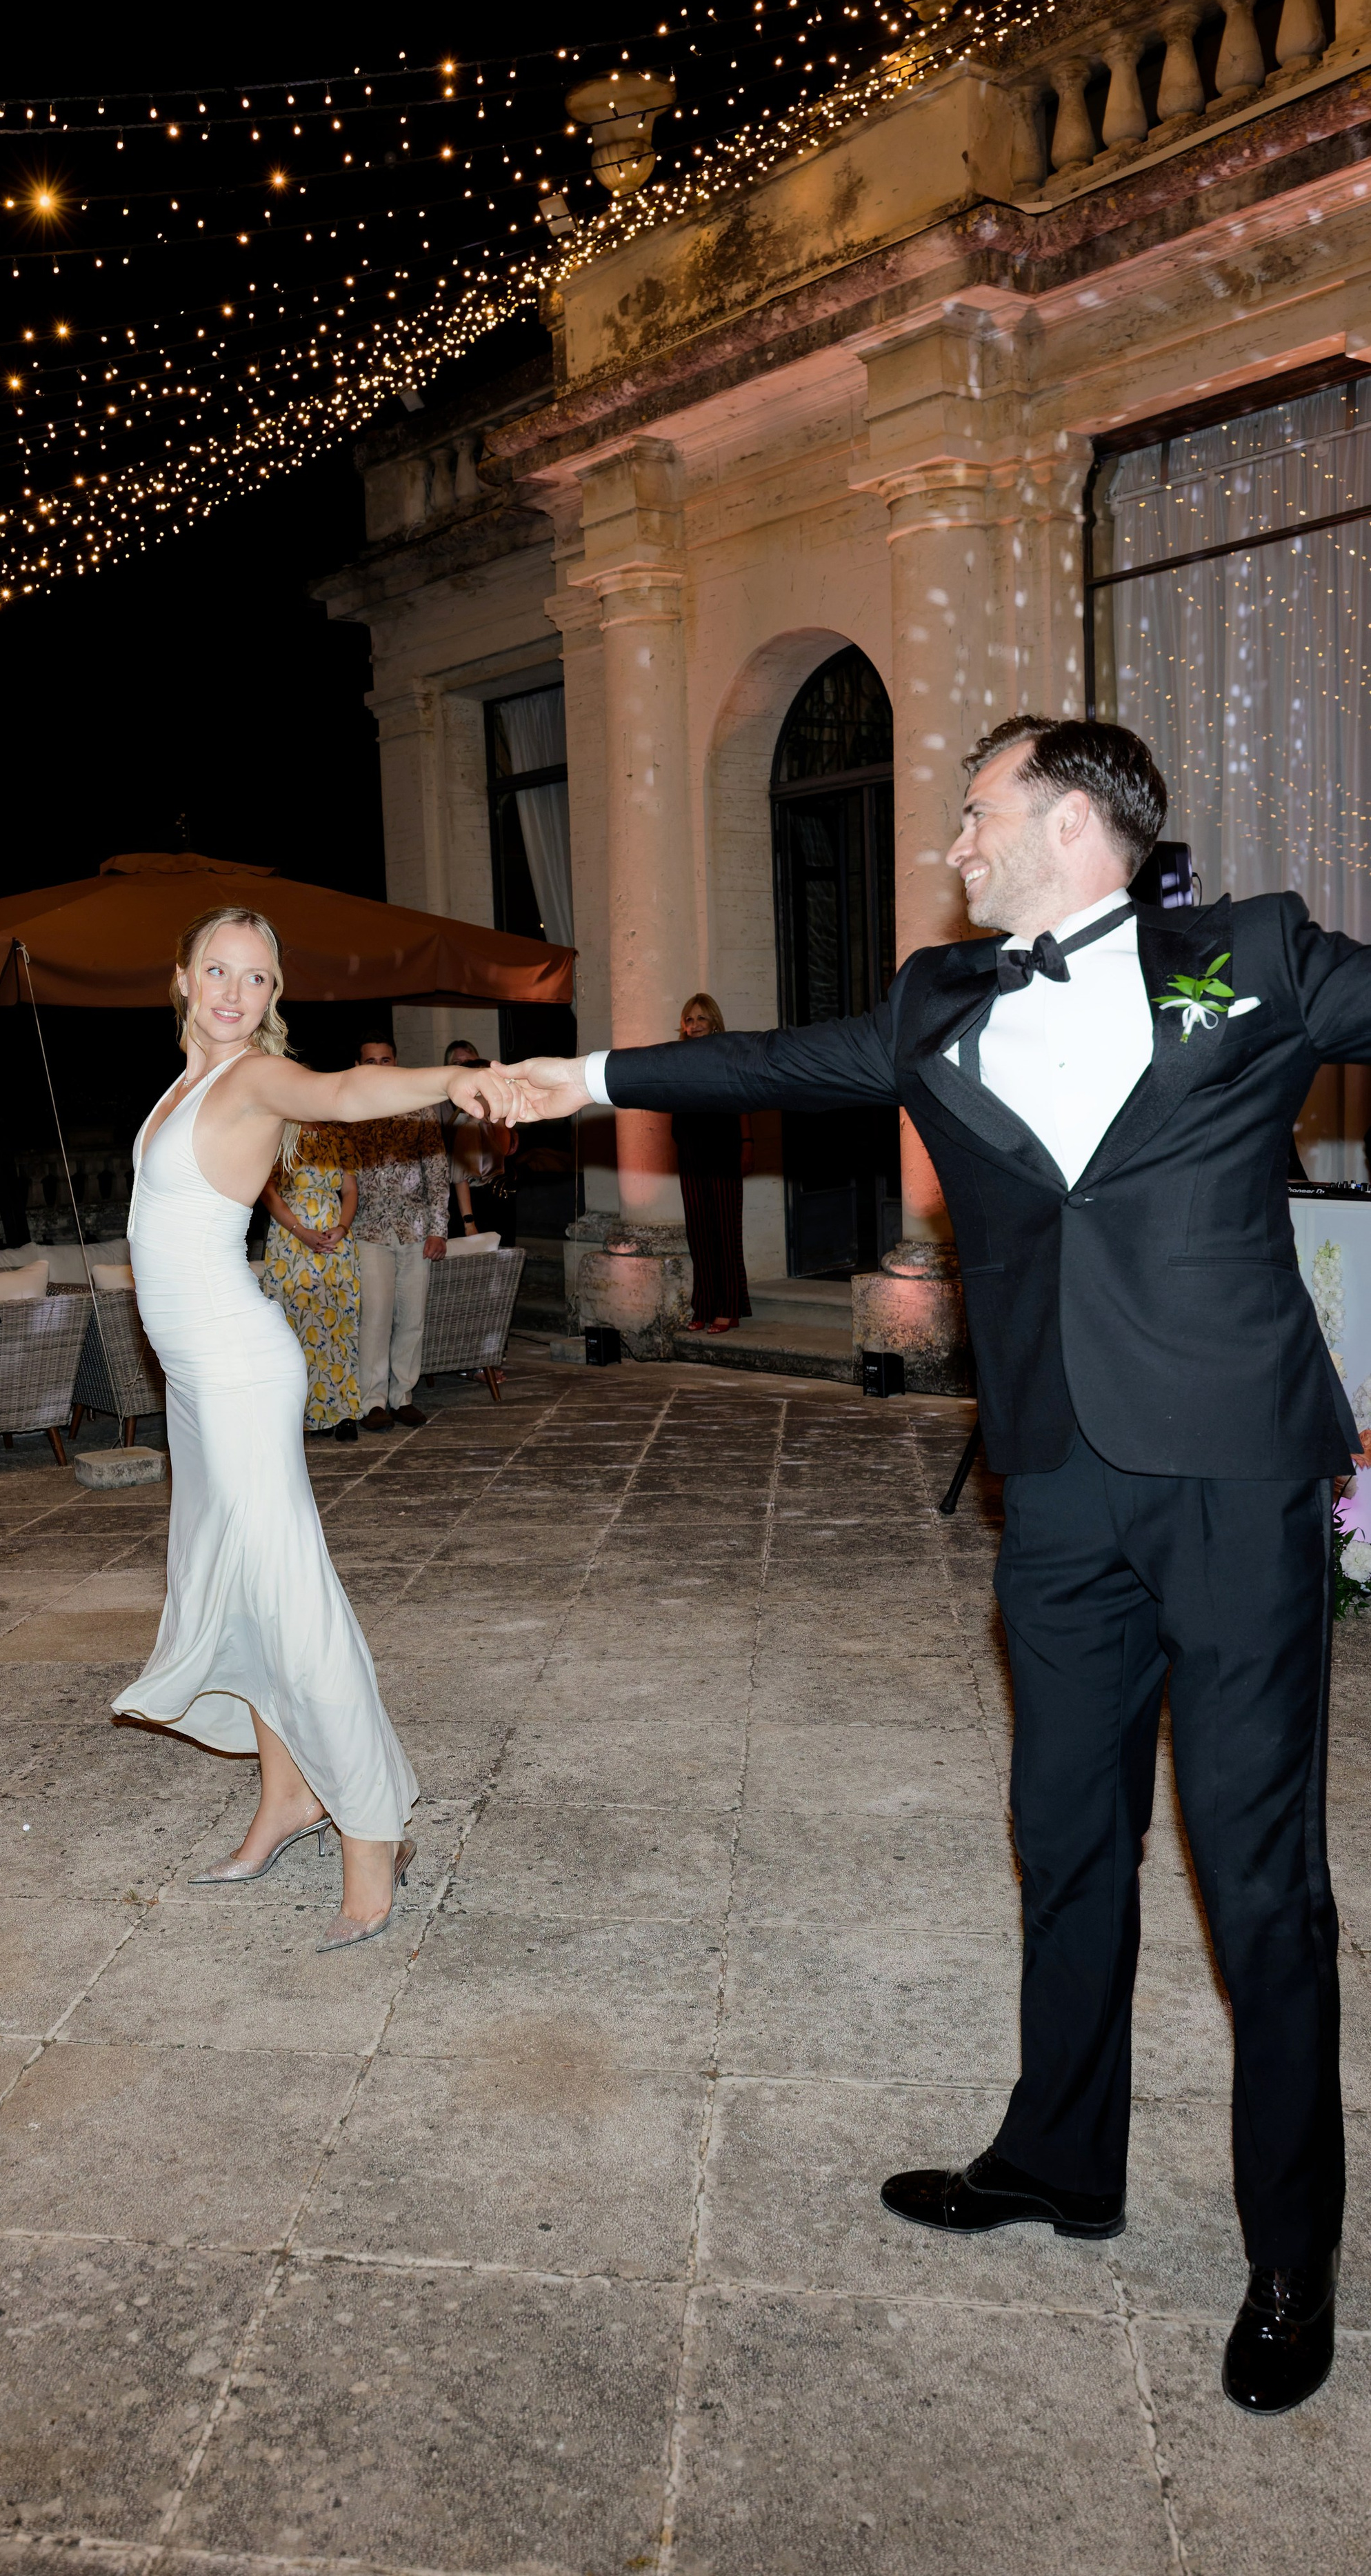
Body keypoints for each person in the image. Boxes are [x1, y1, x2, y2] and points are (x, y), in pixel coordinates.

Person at [508, 715, 1370, 2417]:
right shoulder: (934, 1003)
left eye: (974, 813)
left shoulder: (1251, 956)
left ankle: (1291, 2249)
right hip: (1048, 1484)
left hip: (1227, 1477)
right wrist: (586, 1077)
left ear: (1067, 819)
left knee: (1255, 1874)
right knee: (1064, 1835)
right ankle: (1057, 2157)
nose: (952, 844)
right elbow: (768, 1061)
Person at [110, 906, 518, 1950]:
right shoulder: (185, 1085)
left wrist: (446, 1080)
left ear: (274, 997)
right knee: (238, 1590)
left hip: (241, 1373)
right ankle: (286, 1797)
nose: (236, 992)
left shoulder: (251, 1078)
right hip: (196, 1383)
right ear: (184, 979)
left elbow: (341, 1092)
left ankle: (373, 1832)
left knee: (293, 1600)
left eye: (257, 978)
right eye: (219, 970)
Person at [350, 1035, 451, 1432]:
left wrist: (439, 1229)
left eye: (386, 1059)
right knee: (374, 1318)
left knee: (412, 1318)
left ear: (396, 1062)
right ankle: (372, 1401)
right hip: (368, 1231)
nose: (379, 1067)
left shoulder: (419, 1106)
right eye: (370, 1061)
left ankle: (402, 1396)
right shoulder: (348, 1109)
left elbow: (439, 1173)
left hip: (415, 1231)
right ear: (359, 1065)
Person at [261, 1126, 363, 1444]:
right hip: (292, 1243)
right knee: (296, 1326)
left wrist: (343, 1227)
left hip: (335, 1246)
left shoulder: (337, 1137)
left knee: (340, 1326)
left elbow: (349, 1191)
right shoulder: (278, 1134)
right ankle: (298, 1417)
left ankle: (344, 1413)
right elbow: (268, 1190)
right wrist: (301, 1232)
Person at [672, 993, 752, 1332]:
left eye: (701, 1019)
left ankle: (729, 1308)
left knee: (725, 1232)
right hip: (690, 1149)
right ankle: (703, 1306)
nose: (694, 1025)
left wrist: (748, 1144)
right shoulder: (676, 1057)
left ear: (715, 1022)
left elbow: (745, 1101)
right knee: (699, 1233)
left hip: (723, 1148)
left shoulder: (729, 1055)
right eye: (689, 1020)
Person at [441, 1037, 519, 1244]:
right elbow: (460, 1178)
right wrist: (469, 1223)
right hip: (477, 1205)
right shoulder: (468, 1122)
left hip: (500, 1199)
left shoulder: (495, 1117)